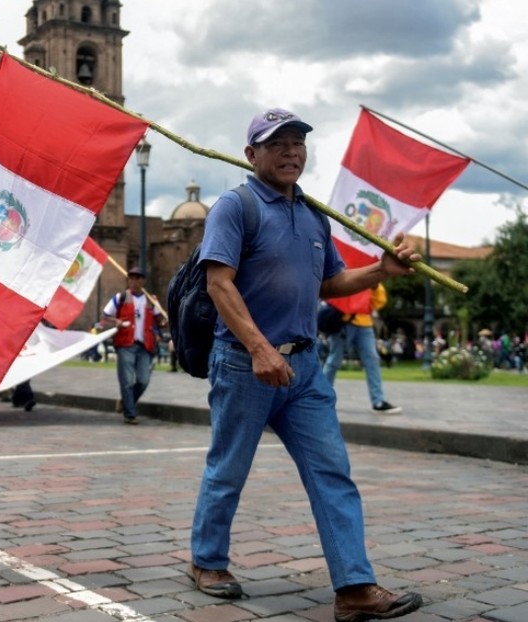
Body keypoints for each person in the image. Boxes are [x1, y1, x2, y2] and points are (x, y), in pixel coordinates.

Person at [188, 108, 422, 622]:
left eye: (298, 143)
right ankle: (207, 561)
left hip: (305, 370)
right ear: (252, 155)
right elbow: (218, 284)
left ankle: (354, 588)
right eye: (278, 144)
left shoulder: (313, 214)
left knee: (332, 470)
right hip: (245, 364)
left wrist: (381, 270)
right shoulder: (236, 206)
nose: (291, 151)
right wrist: (259, 349)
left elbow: (330, 284)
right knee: (228, 469)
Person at [322, 285, 402, 414]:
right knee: (334, 361)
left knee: (372, 360)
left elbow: (379, 302)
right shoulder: (344, 269)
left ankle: (378, 401)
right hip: (344, 321)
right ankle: (320, 398)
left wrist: (375, 287)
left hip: (364, 323)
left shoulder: (370, 275)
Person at [101, 266, 166, 425]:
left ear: (143, 281)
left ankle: (125, 402)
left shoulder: (151, 300)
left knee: (143, 380)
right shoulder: (121, 297)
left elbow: (160, 321)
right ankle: (130, 413)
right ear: (128, 280)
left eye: (138, 278)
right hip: (125, 343)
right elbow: (105, 316)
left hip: (145, 344)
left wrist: (165, 321)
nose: (135, 281)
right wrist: (116, 322)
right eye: (132, 278)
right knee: (127, 380)